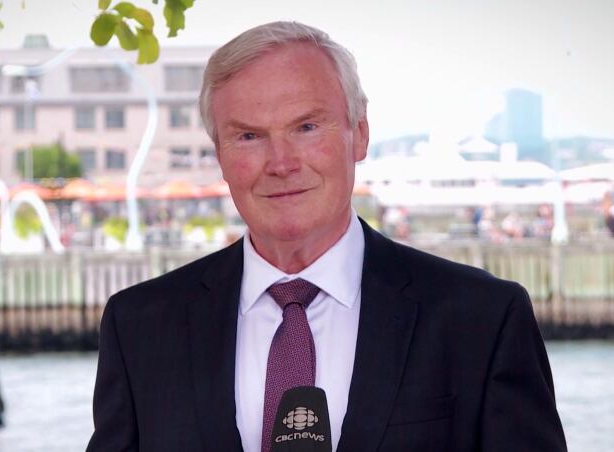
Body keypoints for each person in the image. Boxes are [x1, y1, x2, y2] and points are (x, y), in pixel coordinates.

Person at [87, 22, 566, 452]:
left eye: (307, 127)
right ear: (220, 153)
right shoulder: (140, 328)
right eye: (249, 136)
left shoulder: (481, 319)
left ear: (359, 134)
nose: (281, 163)